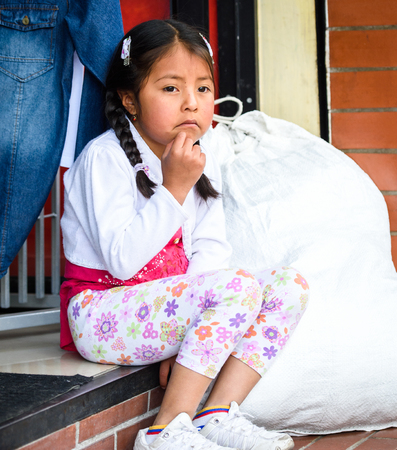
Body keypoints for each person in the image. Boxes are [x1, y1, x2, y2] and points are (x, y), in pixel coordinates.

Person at [60, 19, 309, 450]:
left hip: (160, 311)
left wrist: (189, 333)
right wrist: (173, 187)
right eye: (171, 88)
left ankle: (214, 416)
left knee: (289, 286)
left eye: (204, 88)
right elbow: (122, 259)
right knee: (237, 288)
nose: (192, 103)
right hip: (99, 313)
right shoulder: (105, 159)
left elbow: (210, 252)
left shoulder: (199, 158)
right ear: (129, 100)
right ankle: (164, 430)